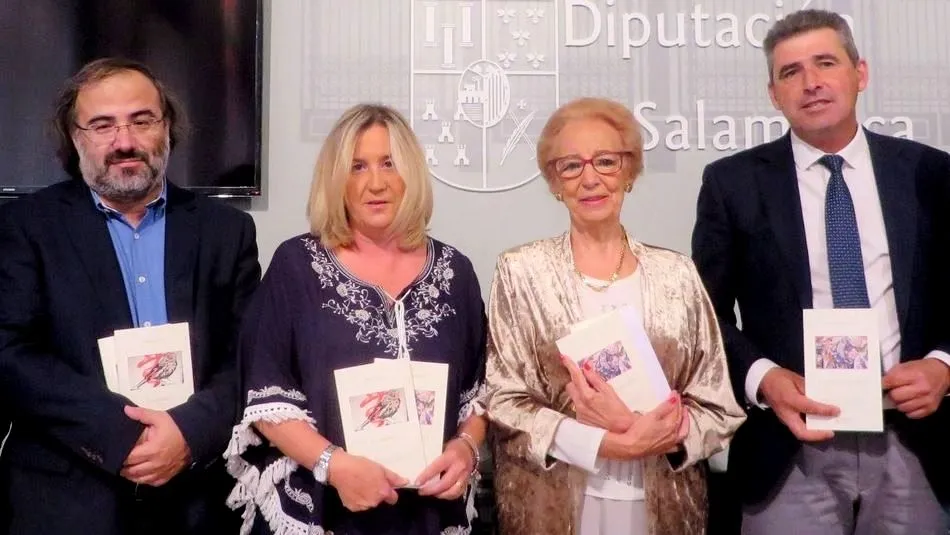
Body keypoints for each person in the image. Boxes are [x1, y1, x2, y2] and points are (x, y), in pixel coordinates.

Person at [691, 9, 950, 535]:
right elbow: (703, 313)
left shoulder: (932, 173)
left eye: (825, 63)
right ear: (773, 93)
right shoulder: (731, 183)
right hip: (790, 443)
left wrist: (945, 365)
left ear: (861, 73)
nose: (811, 83)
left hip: (914, 440)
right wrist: (763, 378)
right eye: (790, 72)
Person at [0, 57, 261, 534]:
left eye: (142, 121)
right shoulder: (24, 228)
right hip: (67, 499)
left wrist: (188, 431)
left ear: (167, 129)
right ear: (75, 137)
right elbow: (11, 354)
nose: (125, 141)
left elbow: (250, 354)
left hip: (198, 497)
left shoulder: (227, 231)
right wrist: (122, 435)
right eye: (102, 125)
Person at [485, 97, 745, 535]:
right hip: (552, 506)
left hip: (664, 502)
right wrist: (605, 442)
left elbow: (719, 405)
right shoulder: (520, 272)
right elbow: (504, 400)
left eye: (606, 161)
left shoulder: (678, 275)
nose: (590, 178)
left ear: (629, 172)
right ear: (554, 181)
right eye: (571, 166)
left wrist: (663, 433)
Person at [225, 103, 488, 535]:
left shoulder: (456, 272)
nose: (376, 183)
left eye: (389, 163)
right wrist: (335, 465)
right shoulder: (297, 266)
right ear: (336, 180)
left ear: (412, 173)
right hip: (325, 510)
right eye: (357, 167)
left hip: (425, 514)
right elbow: (265, 393)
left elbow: (479, 393)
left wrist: (466, 449)